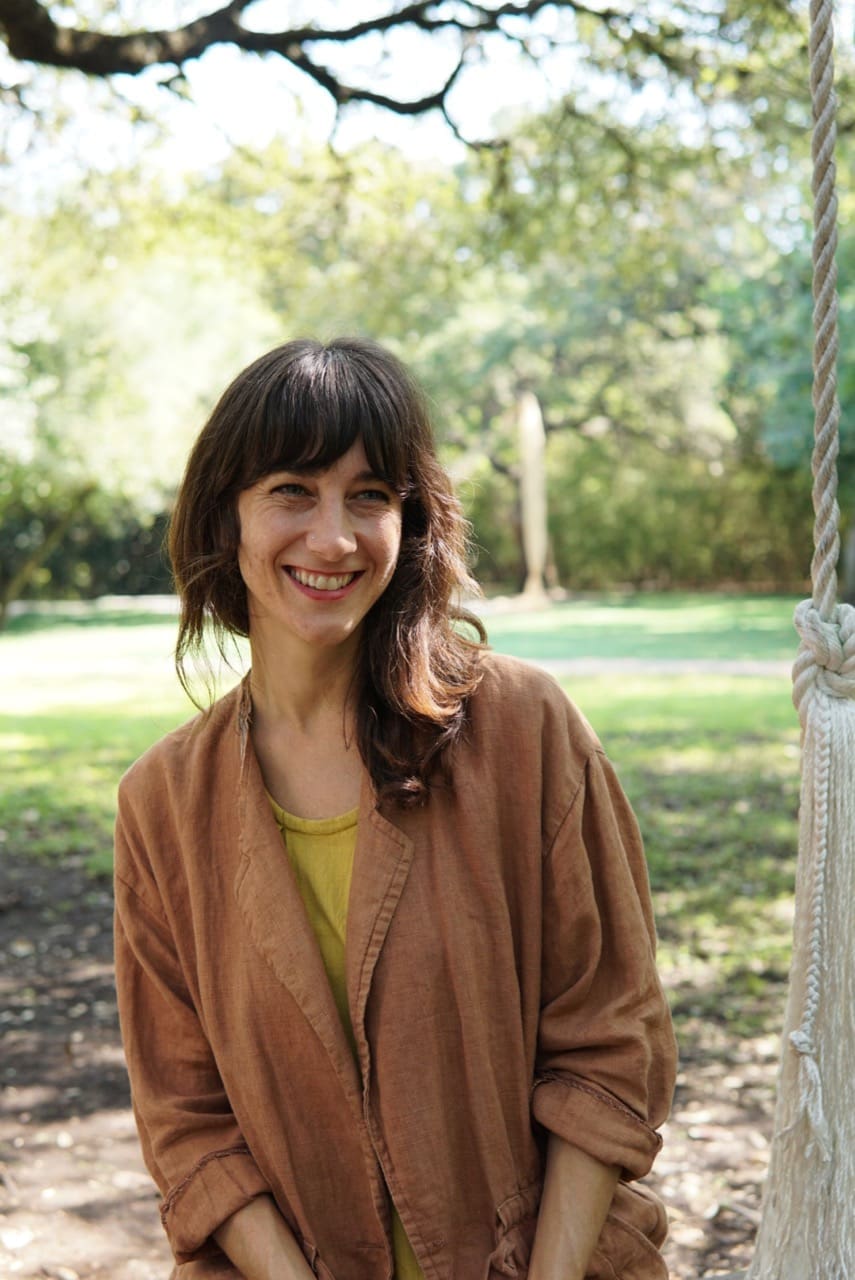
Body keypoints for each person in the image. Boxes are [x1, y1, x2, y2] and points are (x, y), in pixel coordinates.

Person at [114, 336, 677, 1280]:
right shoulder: (161, 804)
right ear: (227, 519)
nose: (332, 537)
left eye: (369, 495)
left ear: (409, 523)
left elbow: (607, 1046)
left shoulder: (524, 732)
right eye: (292, 489)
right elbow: (189, 1122)